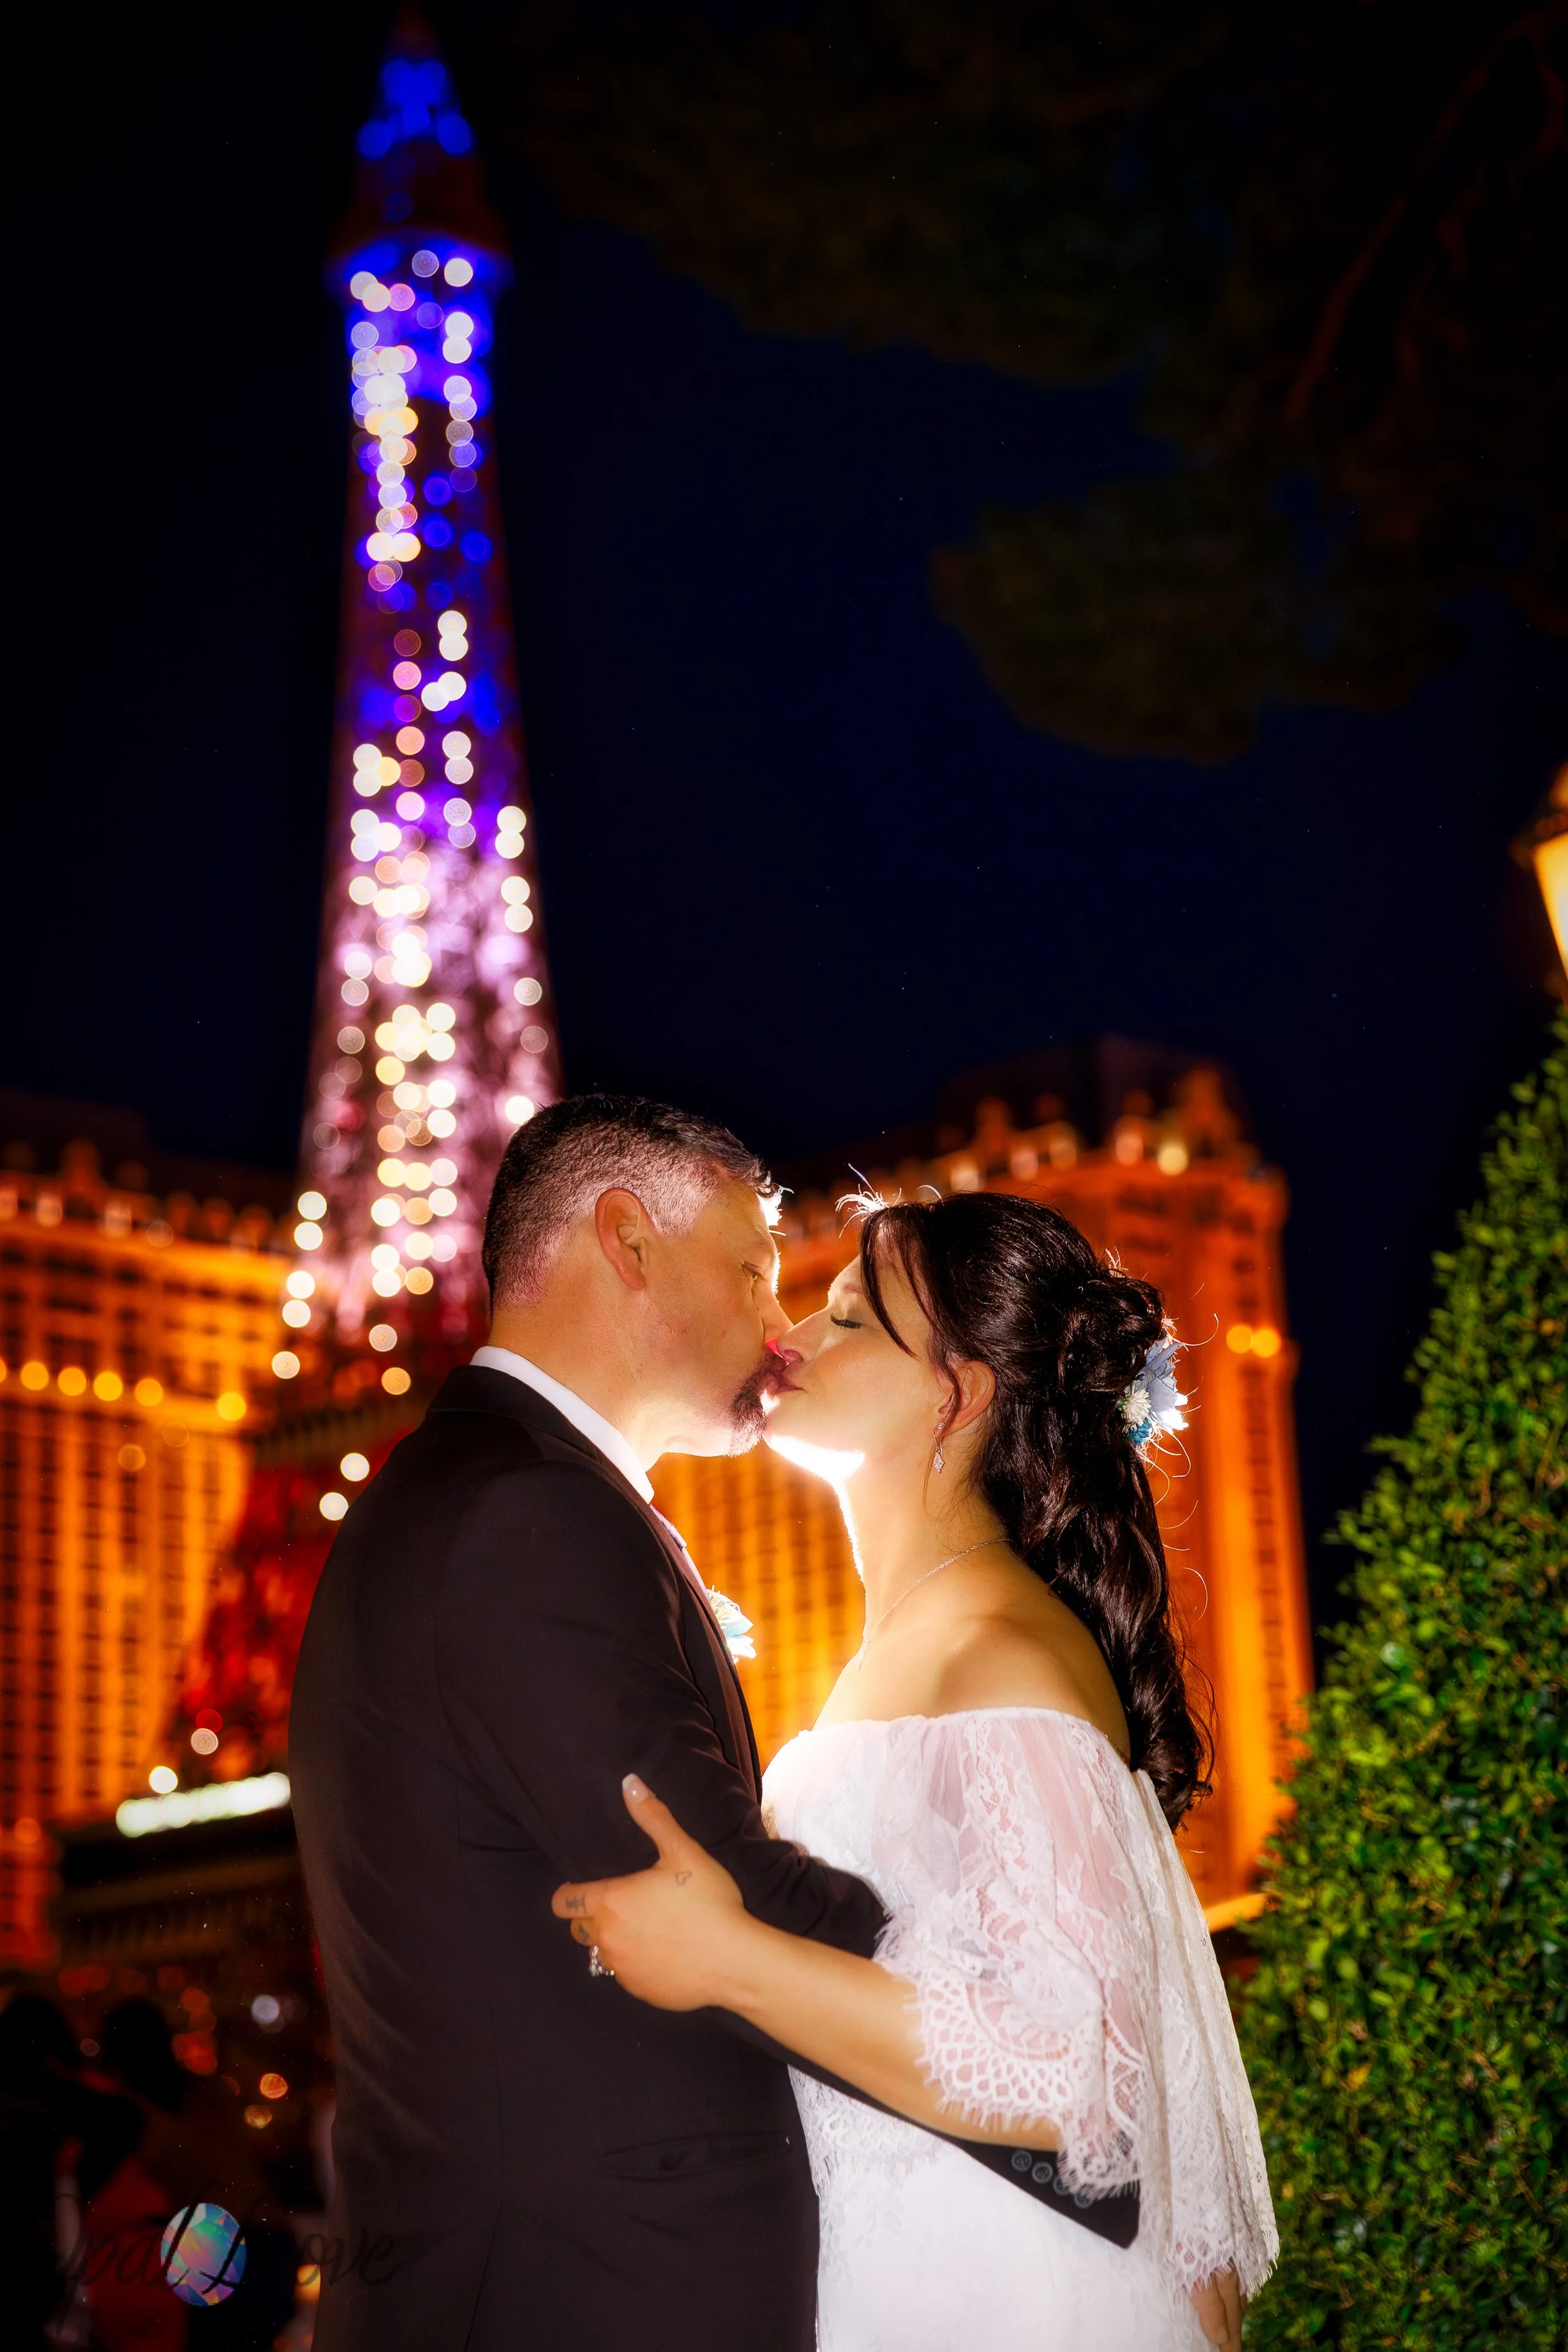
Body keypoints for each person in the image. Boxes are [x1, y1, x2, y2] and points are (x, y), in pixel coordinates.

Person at [553, 1192, 1279, 2352]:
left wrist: (729, 1959)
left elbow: (1078, 2073)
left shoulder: (994, 1648)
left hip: (1004, 2297)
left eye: (850, 1318)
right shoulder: (923, 1644)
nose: (789, 1334)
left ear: (959, 1392)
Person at [289, 1097, 897, 2352]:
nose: (778, 1330)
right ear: (627, 1242)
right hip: (591, 2293)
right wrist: (1026, 1991)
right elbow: (710, 1887)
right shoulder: (528, 1516)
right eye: (751, 1270)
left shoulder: (493, 1493)